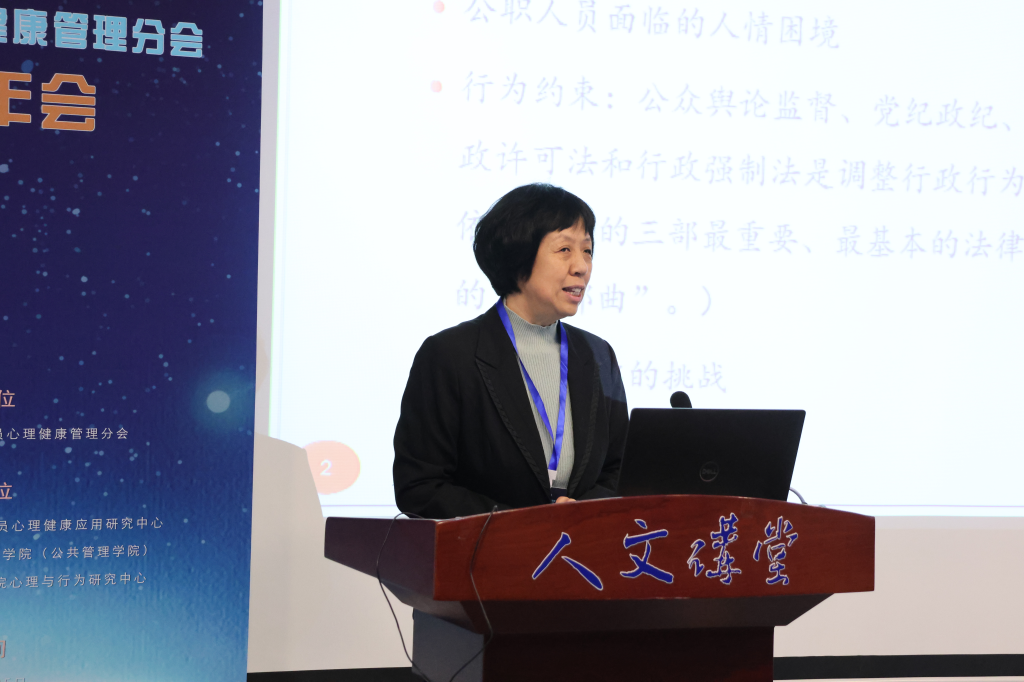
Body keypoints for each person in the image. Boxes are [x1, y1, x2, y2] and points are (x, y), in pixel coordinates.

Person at [393, 183, 628, 519]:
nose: (581, 266)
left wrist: (581, 515)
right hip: (488, 548)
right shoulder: (450, 356)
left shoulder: (599, 355)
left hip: (582, 547)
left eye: (587, 251)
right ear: (519, 256)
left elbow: (619, 470)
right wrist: (523, 525)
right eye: (564, 249)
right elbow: (420, 486)